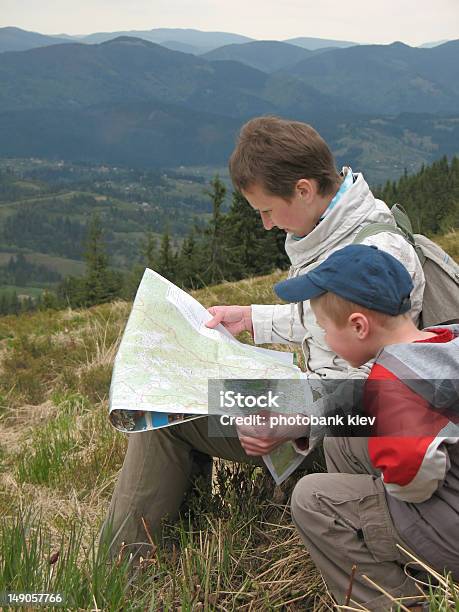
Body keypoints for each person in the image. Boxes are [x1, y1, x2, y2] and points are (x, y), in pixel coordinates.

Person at [99, 116, 425, 563]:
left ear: (305, 189)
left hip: (342, 434)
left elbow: (381, 397)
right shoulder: (340, 230)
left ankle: (120, 571)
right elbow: (328, 319)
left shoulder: (375, 253)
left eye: (268, 210)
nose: (268, 225)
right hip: (317, 402)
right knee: (180, 402)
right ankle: (170, 542)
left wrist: (293, 419)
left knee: (166, 412)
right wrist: (252, 319)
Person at [273, 244, 459, 611]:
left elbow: (415, 476)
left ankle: (407, 599)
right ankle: (383, 543)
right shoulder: (444, 340)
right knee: (343, 440)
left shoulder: (392, 385)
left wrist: (390, 486)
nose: (325, 339)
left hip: (450, 525)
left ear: (359, 326)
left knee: (312, 500)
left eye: (326, 329)